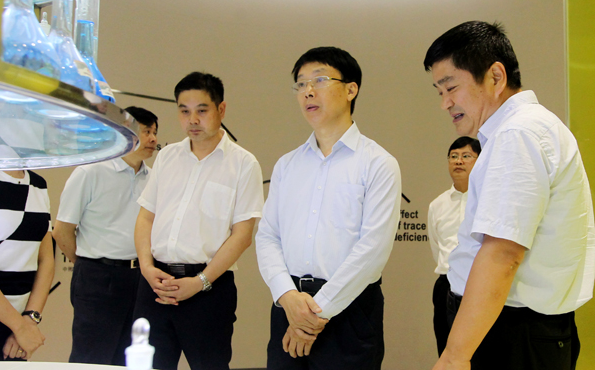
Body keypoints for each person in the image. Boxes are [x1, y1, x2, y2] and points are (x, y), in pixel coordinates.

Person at [423, 20, 595, 370]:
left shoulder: (518, 133)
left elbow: (503, 254)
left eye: (451, 87)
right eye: (439, 92)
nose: (445, 103)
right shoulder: (523, 129)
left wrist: (455, 355)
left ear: (496, 77)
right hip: (510, 326)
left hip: (512, 332)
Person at [256, 46, 402, 370]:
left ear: (351, 90)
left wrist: (314, 315)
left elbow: (372, 251)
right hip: (289, 305)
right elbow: (267, 236)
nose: (308, 91)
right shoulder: (287, 165)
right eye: (301, 83)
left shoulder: (378, 164)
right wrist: (287, 297)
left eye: (320, 80)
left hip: (349, 310)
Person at [133, 71, 264, 370]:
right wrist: (147, 268)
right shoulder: (167, 157)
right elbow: (146, 217)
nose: (192, 120)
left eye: (202, 111)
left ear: (221, 109)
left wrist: (200, 282)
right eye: (184, 111)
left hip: (208, 290)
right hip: (155, 285)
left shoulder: (243, 164)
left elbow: (242, 235)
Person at [53, 106, 158, 365]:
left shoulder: (154, 178)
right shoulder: (90, 171)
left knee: (130, 357)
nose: (153, 139)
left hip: (140, 278)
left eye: (155, 132)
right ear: (125, 132)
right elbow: (62, 230)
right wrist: (87, 263)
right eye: (146, 132)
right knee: (92, 357)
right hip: (98, 277)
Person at [427, 136, 481, 356]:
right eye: (454, 156)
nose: (459, 161)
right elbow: (436, 247)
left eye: (466, 156)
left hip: (480, 285)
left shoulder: (488, 201)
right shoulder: (437, 204)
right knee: (447, 350)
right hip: (446, 286)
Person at [0, 169, 54, 361]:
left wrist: (29, 319)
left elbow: (45, 258)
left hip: (15, 331)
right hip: (16, 326)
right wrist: (20, 327)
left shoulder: (38, 184)